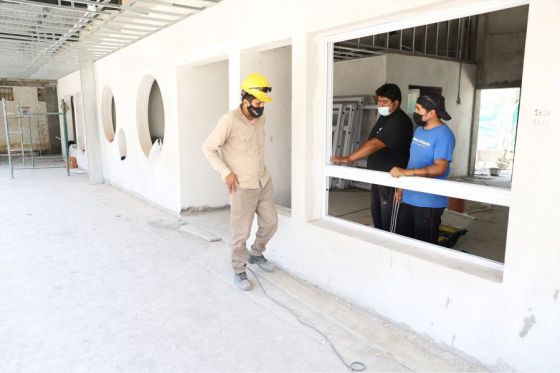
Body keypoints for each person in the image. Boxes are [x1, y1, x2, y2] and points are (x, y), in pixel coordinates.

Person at [202, 73, 277, 291]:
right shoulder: (229, 121)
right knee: (240, 233)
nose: (260, 107)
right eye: (257, 103)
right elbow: (208, 148)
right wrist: (226, 172)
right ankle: (239, 270)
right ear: (245, 100)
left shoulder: (261, 118)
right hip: (241, 186)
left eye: (263, 103)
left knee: (271, 222)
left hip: (263, 181)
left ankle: (256, 253)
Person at [331, 83, 412, 231]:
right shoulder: (384, 117)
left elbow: (375, 144)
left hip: (390, 180)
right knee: (378, 219)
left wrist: (348, 158)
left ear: (396, 103)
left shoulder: (399, 121)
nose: (380, 105)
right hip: (377, 178)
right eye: (379, 101)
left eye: (385, 102)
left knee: (390, 224)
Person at [389, 93, 456, 244]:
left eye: (419, 109)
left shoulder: (444, 135)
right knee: (404, 242)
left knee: (424, 247)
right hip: (409, 197)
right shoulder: (419, 130)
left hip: (429, 202)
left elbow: (440, 168)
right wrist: (402, 185)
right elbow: (413, 160)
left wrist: (408, 173)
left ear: (432, 113)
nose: (415, 112)